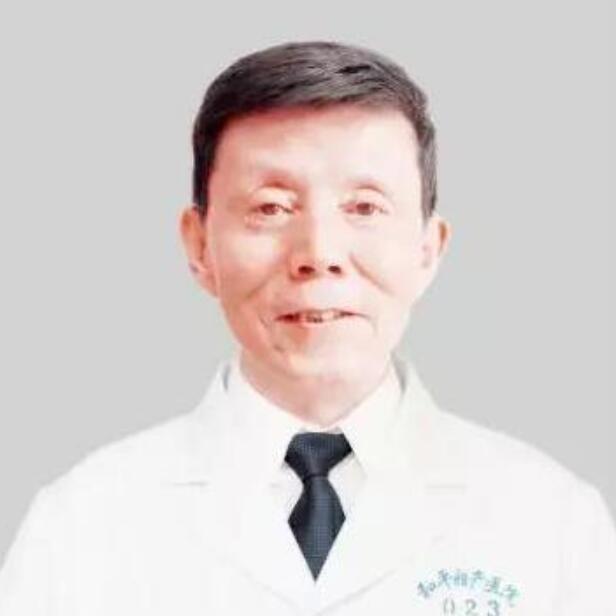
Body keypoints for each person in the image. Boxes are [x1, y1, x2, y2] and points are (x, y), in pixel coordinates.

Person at [0, 40, 614, 615]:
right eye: (271, 207)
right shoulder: (82, 525)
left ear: (429, 248)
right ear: (199, 245)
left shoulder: (553, 523)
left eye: (364, 207)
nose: (319, 253)